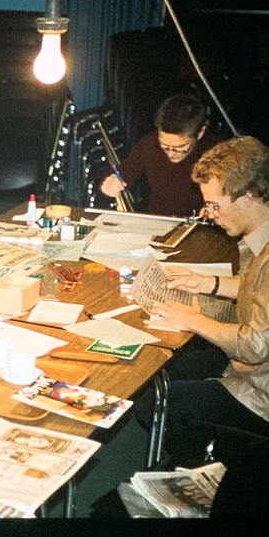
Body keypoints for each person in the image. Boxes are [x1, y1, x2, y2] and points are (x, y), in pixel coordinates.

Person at [140, 136, 269, 461]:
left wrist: (193, 321)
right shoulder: (260, 234)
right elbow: (254, 286)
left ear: (249, 197)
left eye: (215, 205)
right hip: (248, 371)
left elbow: (255, 345)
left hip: (259, 392)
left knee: (153, 399)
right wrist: (207, 283)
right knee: (161, 375)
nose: (209, 214)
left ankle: (203, 467)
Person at [99, 93, 224, 217]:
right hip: (159, 223)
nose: (171, 154)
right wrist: (110, 182)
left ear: (200, 133)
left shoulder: (218, 152)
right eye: (164, 146)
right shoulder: (150, 144)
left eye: (180, 148)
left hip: (203, 225)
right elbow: (123, 172)